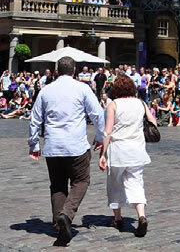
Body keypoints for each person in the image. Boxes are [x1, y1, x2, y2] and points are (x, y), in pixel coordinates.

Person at [28, 56, 106, 245]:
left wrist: (34, 144)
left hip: (53, 145)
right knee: (81, 180)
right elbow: (97, 113)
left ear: (56, 72)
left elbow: (35, 118)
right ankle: (66, 215)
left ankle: (59, 224)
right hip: (75, 145)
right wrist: (100, 136)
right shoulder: (82, 88)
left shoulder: (46, 90)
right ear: (74, 71)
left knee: (57, 185)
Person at [98, 75, 154, 237]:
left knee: (115, 184)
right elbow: (153, 122)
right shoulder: (141, 103)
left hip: (118, 151)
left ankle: (117, 218)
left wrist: (102, 154)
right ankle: (141, 216)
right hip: (137, 150)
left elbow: (108, 132)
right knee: (136, 183)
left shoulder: (113, 105)